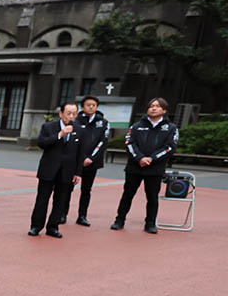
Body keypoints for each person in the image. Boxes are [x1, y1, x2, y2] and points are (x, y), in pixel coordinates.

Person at [112, 97, 178, 234]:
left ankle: (150, 223)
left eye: (157, 106)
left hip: (155, 168)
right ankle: (119, 220)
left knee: (152, 197)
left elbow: (170, 147)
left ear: (164, 110)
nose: (153, 108)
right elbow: (129, 143)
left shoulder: (171, 128)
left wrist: (152, 159)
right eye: (151, 106)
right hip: (134, 167)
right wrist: (140, 158)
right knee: (127, 194)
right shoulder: (136, 126)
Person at [30, 102, 84, 237]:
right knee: (42, 199)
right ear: (61, 114)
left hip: (67, 171)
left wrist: (78, 172)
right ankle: (36, 226)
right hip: (49, 169)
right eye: (68, 113)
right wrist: (60, 134)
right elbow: (42, 143)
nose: (71, 117)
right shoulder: (49, 127)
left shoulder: (80, 129)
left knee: (61, 200)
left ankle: (53, 227)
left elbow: (80, 153)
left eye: (74, 114)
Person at [64, 95, 110, 226]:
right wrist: (80, 158)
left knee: (86, 189)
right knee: (67, 188)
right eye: (88, 105)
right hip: (74, 161)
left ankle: (82, 216)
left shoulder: (103, 122)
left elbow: (103, 142)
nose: (91, 107)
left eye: (93, 105)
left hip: (92, 162)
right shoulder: (76, 120)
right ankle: (63, 213)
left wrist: (90, 158)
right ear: (82, 107)